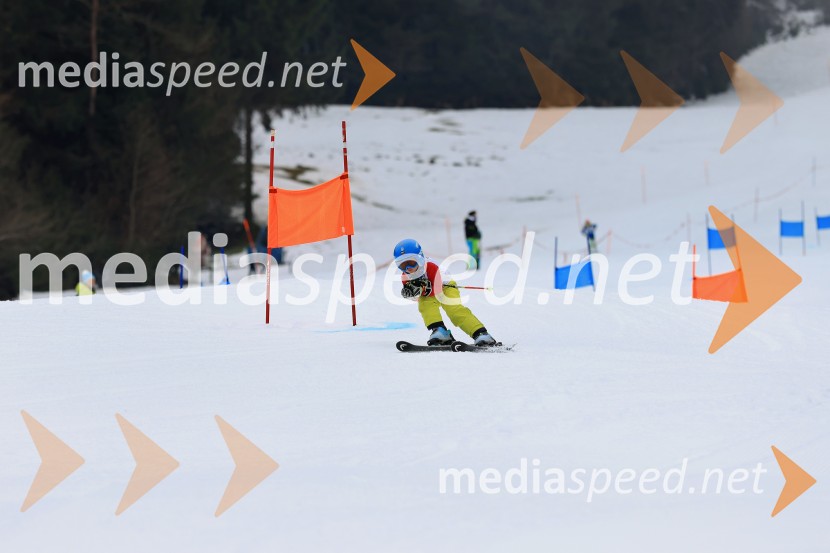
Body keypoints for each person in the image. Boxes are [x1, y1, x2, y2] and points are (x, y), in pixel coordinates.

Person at [393, 238, 497, 346]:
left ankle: (480, 334)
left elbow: (437, 288)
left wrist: (425, 288)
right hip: (429, 293)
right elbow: (417, 298)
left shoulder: (430, 266)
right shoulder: (405, 277)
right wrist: (411, 294)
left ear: (419, 258)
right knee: (425, 305)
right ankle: (440, 332)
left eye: (411, 263)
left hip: (446, 287)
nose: (408, 268)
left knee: (454, 310)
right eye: (403, 265)